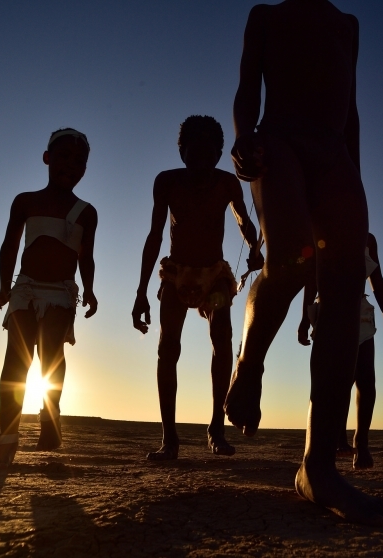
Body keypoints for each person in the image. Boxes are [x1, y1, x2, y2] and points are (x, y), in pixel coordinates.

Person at [224, 0, 383, 525]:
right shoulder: (267, 16)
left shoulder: (348, 26)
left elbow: (353, 108)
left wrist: (355, 177)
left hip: (335, 154)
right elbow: (249, 79)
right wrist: (242, 131)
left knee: (342, 289)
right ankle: (250, 362)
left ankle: (317, 468)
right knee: (293, 260)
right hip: (279, 141)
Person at [132, 115, 261, 461]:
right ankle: (169, 439)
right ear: (181, 152)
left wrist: (255, 247)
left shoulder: (226, 184)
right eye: (194, 153)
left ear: (220, 154)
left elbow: (243, 221)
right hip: (177, 275)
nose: (202, 161)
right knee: (167, 349)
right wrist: (141, 291)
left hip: (215, 276)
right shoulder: (167, 182)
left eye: (210, 154)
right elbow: (155, 235)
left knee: (222, 342)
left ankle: (216, 431)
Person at [0, 128, 98, 469]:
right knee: (16, 363)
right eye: (63, 157)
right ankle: (6, 441)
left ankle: (50, 416)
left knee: (51, 356)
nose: (71, 165)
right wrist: (5, 288)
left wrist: (89, 289)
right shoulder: (25, 201)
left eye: (80, 161)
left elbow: (85, 256)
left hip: (61, 292)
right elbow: (10, 246)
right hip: (26, 290)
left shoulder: (86, 212)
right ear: (47, 158)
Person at [299, 232, 383, 470]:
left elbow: (377, 280)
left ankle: (361, 440)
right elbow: (310, 280)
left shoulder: (367, 239)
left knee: (366, 379)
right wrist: (305, 319)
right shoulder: (319, 233)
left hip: (360, 312)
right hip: (330, 312)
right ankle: (339, 436)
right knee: (338, 379)